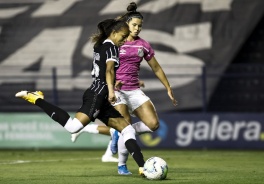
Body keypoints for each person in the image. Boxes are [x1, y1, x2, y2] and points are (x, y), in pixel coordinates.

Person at [15, 18, 145, 176]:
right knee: (73, 127)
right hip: (97, 95)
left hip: (100, 94)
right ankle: (36, 98)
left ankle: (143, 167)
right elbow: (109, 70)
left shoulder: (100, 45)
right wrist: (111, 90)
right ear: (114, 32)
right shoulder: (111, 48)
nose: (124, 40)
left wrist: (113, 84)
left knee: (128, 130)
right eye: (123, 37)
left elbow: (103, 71)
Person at [71, 2, 177, 175]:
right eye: (134, 25)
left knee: (153, 124)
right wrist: (111, 88)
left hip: (133, 90)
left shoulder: (143, 45)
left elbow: (156, 67)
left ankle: (118, 133)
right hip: (116, 90)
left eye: (140, 26)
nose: (137, 29)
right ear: (125, 25)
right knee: (125, 126)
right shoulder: (114, 43)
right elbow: (107, 68)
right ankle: (122, 165)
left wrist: (168, 87)